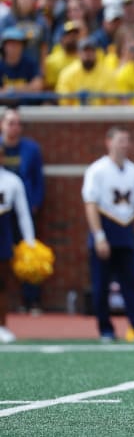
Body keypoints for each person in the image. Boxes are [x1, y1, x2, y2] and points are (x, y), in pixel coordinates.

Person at [81, 127, 134, 342]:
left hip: (126, 230)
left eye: (127, 140)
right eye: (120, 140)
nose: (124, 144)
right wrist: (99, 236)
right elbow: (90, 204)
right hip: (106, 228)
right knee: (101, 284)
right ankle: (105, 329)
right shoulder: (97, 169)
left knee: (131, 283)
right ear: (109, 142)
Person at [0, 108, 45, 314]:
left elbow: (38, 179)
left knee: (26, 252)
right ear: (2, 125)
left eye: (18, 123)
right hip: (4, 212)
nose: (14, 127)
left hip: (22, 210)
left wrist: (34, 203)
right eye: (10, 123)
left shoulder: (31, 149)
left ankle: (31, 300)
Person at [0, 142, 35, 342]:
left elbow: (23, 214)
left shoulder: (12, 181)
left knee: (2, 284)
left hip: (3, 237)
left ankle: (2, 325)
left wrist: (29, 241)